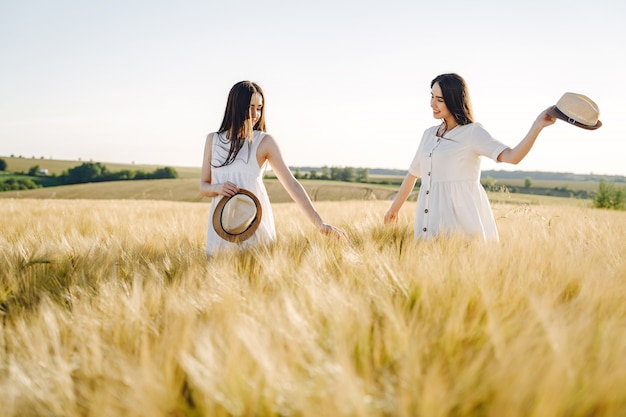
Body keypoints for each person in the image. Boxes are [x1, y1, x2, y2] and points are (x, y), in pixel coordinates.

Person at [384, 73, 556, 241]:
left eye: (440, 100)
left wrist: (537, 126)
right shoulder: (428, 135)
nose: (432, 104)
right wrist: (394, 209)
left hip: (460, 223)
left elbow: (513, 156)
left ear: (454, 100)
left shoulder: (473, 133)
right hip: (428, 220)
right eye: (432, 96)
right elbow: (413, 173)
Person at [200, 80, 345, 255]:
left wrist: (320, 224)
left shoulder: (264, 142)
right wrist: (218, 188)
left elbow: (291, 184)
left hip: (254, 226)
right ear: (235, 106)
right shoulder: (213, 140)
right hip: (221, 228)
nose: (255, 114)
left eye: (259, 107)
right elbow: (203, 186)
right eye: (250, 107)